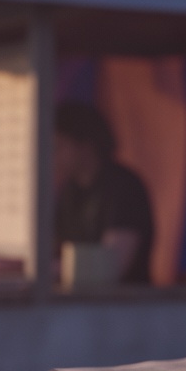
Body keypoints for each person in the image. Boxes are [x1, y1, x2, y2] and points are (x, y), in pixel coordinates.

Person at [52, 101, 154, 285]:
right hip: (78, 305)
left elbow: (112, 266)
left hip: (124, 307)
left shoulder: (125, 186)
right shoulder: (69, 191)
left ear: (86, 145)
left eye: (59, 146)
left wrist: (40, 271)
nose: (52, 156)